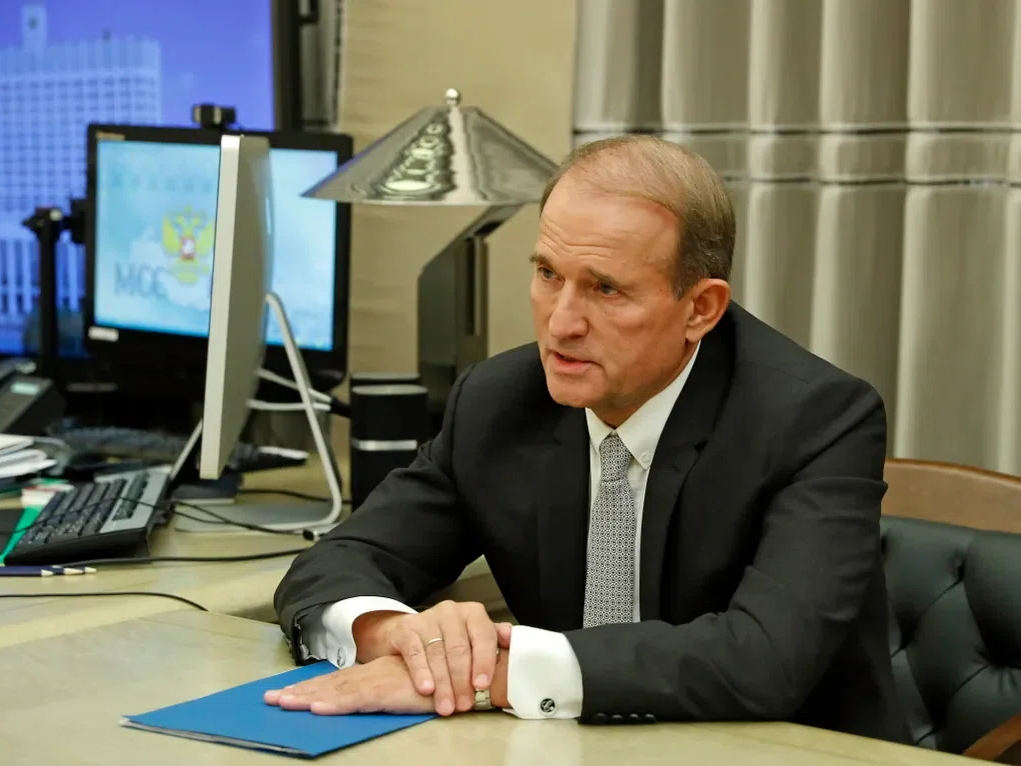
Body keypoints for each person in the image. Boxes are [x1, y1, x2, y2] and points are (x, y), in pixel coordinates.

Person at [265, 135, 909, 742]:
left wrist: (494, 673)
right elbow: (337, 561)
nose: (562, 323)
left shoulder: (816, 419)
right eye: (549, 274)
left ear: (701, 309)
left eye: (606, 289)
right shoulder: (498, 401)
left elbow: (764, 659)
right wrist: (396, 636)